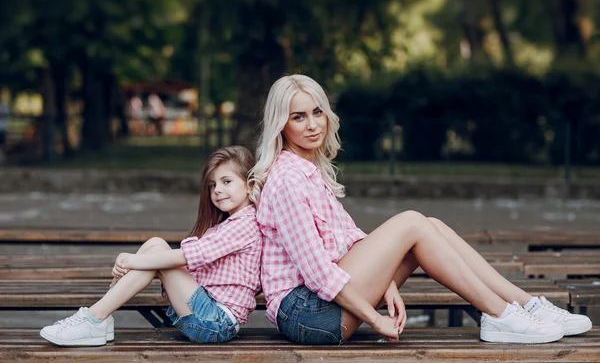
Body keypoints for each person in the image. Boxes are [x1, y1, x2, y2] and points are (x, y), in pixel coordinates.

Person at [249, 74, 592, 345]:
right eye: (299, 117)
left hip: (324, 302)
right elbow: (317, 274)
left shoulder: (307, 171)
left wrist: (385, 282)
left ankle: (525, 305)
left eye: (317, 112)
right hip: (308, 315)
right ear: (282, 124)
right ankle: (501, 316)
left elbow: (349, 238)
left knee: (432, 225)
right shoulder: (288, 181)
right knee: (413, 222)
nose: (312, 125)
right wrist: (376, 318)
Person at [40, 146, 262, 346]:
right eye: (212, 185)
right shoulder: (227, 224)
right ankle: (100, 316)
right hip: (208, 312)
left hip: (216, 322)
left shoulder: (245, 223)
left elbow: (188, 257)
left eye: (226, 182)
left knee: (157, 252)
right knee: (156, 243)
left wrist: (131, 260)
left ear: (250, 185)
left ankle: (95, 318)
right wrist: (133, 261)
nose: (217, 190)